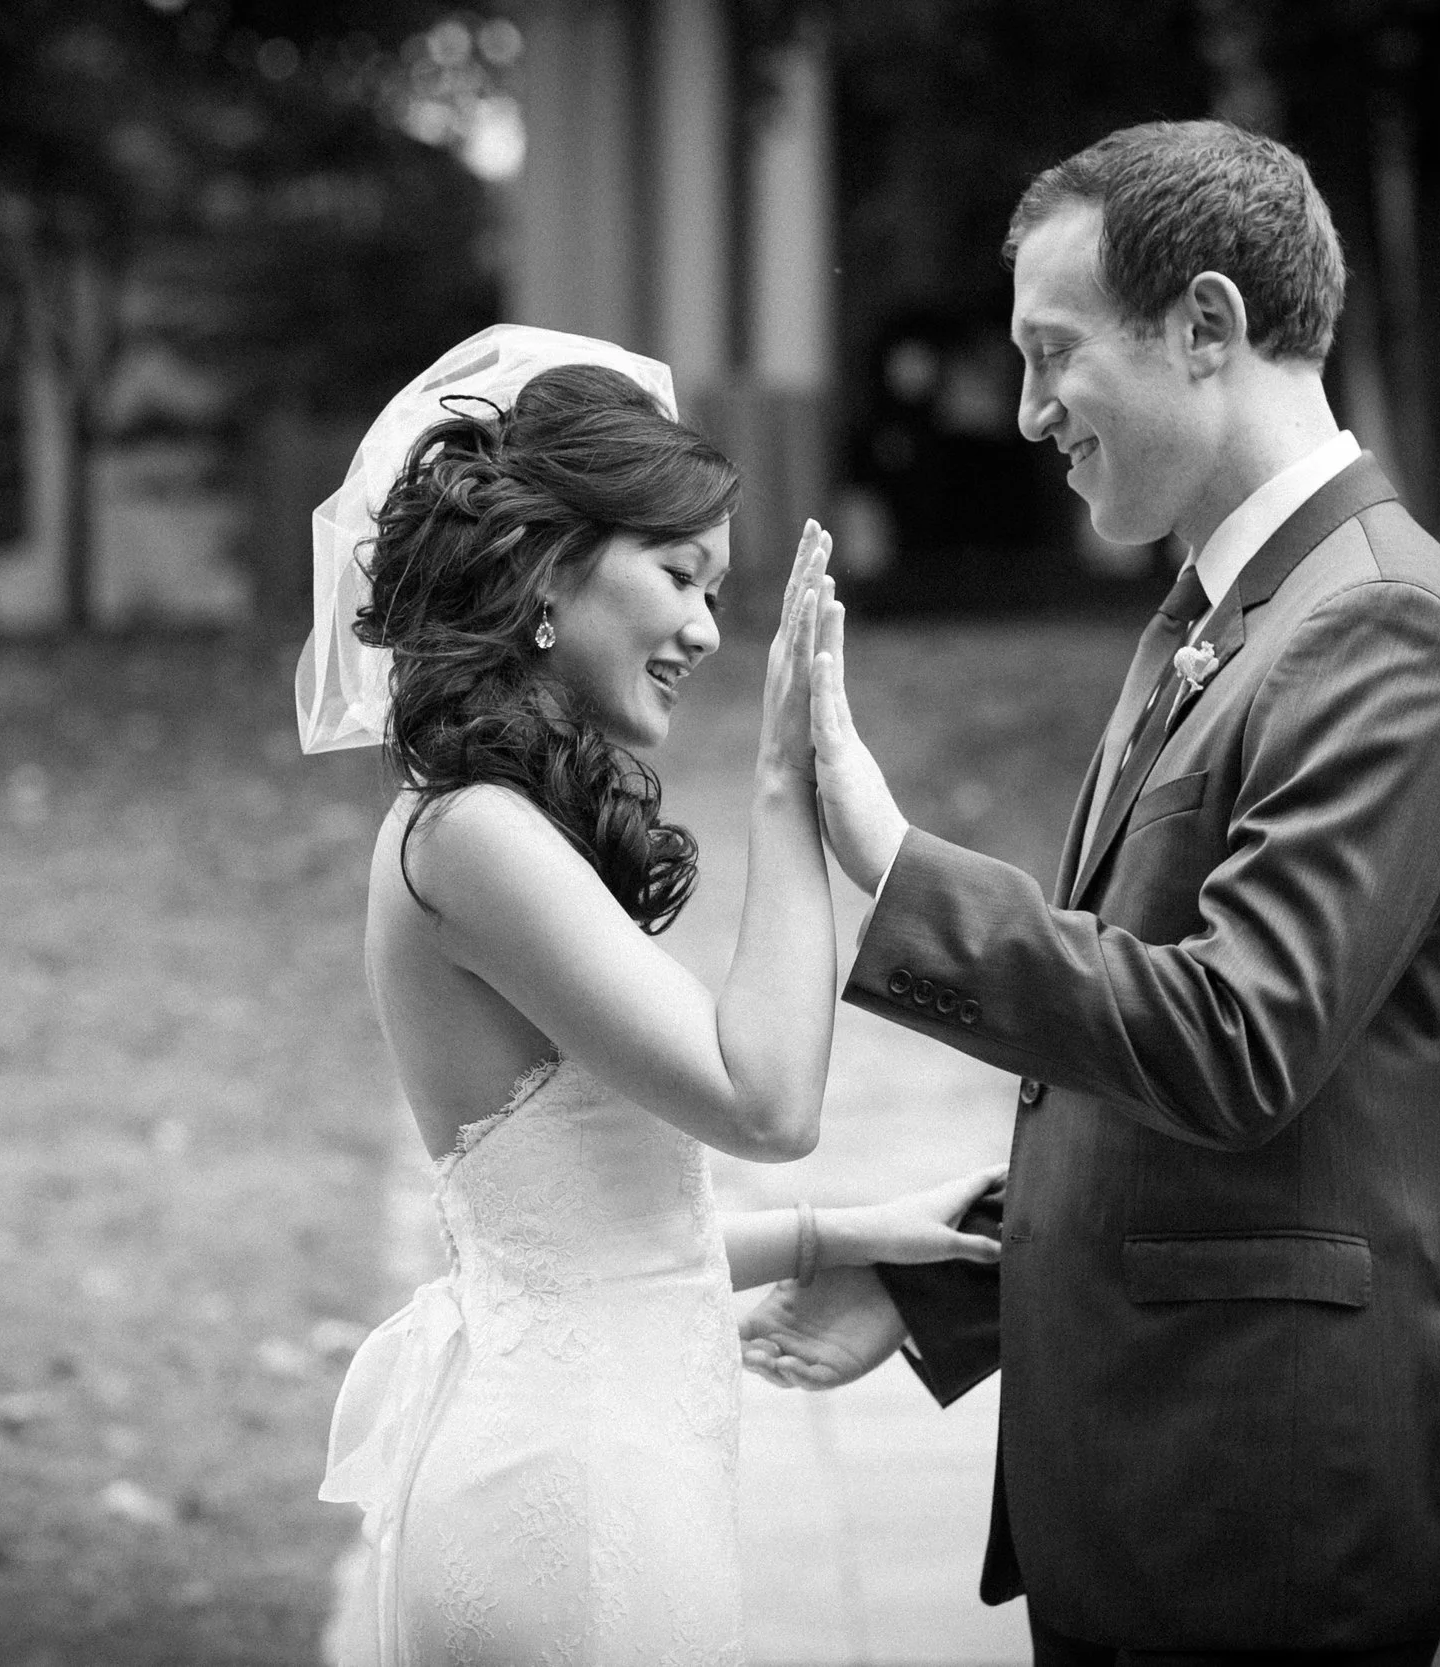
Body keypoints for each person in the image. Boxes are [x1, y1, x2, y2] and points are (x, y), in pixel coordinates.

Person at [740, 121, 1440, 1666]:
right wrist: (947, 1292)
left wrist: (893, 864)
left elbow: (1236, 1039)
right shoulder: (1222, 608)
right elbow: (1156, 1061)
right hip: (1164, 1466)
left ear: (1208, 327)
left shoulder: (1384, 628)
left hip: (1266, 1497)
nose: (1029, 410)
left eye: (1054, 355)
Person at [303, 325, 1003, 1667]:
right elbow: (768, 1093)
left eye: (718, 590)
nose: (704, 627)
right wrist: (792, 781)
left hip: (604, 1479)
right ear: (546, 576)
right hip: (569, 1520)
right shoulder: (472, 838)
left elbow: (580, 1239)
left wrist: (845, 1234)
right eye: (678, 575)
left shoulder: (497, 830)